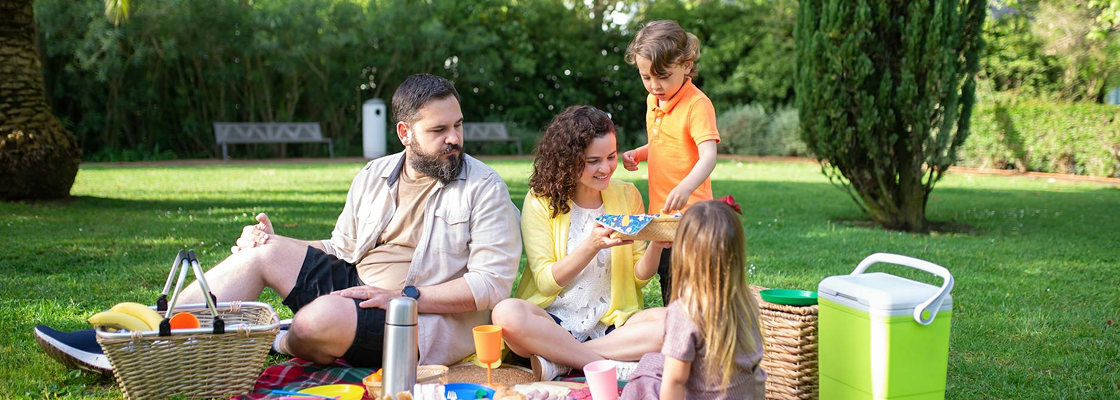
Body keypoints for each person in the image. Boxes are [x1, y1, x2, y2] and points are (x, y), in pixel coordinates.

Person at [36, 74, 523, 370]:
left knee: (319, 321)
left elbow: (492, 285)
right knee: (262, 253)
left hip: (415, 317)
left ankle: (269, 336)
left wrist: (404, 295)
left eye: (458, 125)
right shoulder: (376, 174)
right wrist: (275, 241)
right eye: (439, 130)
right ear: (405, 133)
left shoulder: (485, 188)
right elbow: (342, 246)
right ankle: (140, 337)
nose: (454, 139)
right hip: (356, 283)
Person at [490, 106, 669, 381]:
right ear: (568, 160)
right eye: (593, 160)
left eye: (611, 157)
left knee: (672, 323)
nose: (606, 168)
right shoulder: (541, 201)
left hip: (611, 325)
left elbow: (638, 278)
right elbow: (547, 282)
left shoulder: (627, 195)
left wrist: (656, 242)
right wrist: (591, 245)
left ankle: (561, 360)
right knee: (506, 313)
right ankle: (606, 365)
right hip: (553, 321)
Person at [620, 200, 766, 400]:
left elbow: (675, 381)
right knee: (655, 360)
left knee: (643, 378)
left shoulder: (685, 312)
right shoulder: (747, 300)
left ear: (683, 255)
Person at [621, 20, 721, 306]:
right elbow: (664, 143)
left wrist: (686, 187)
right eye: (646, 78)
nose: (654, 85)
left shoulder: (697, 105)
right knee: (669, 282)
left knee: (692, 289)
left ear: (686, 65)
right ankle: (676, 344)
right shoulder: (654, 100)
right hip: (663, 217)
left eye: (662, 76)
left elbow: (708, 156)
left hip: (692, 219)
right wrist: (640, 154)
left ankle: (699, 345)